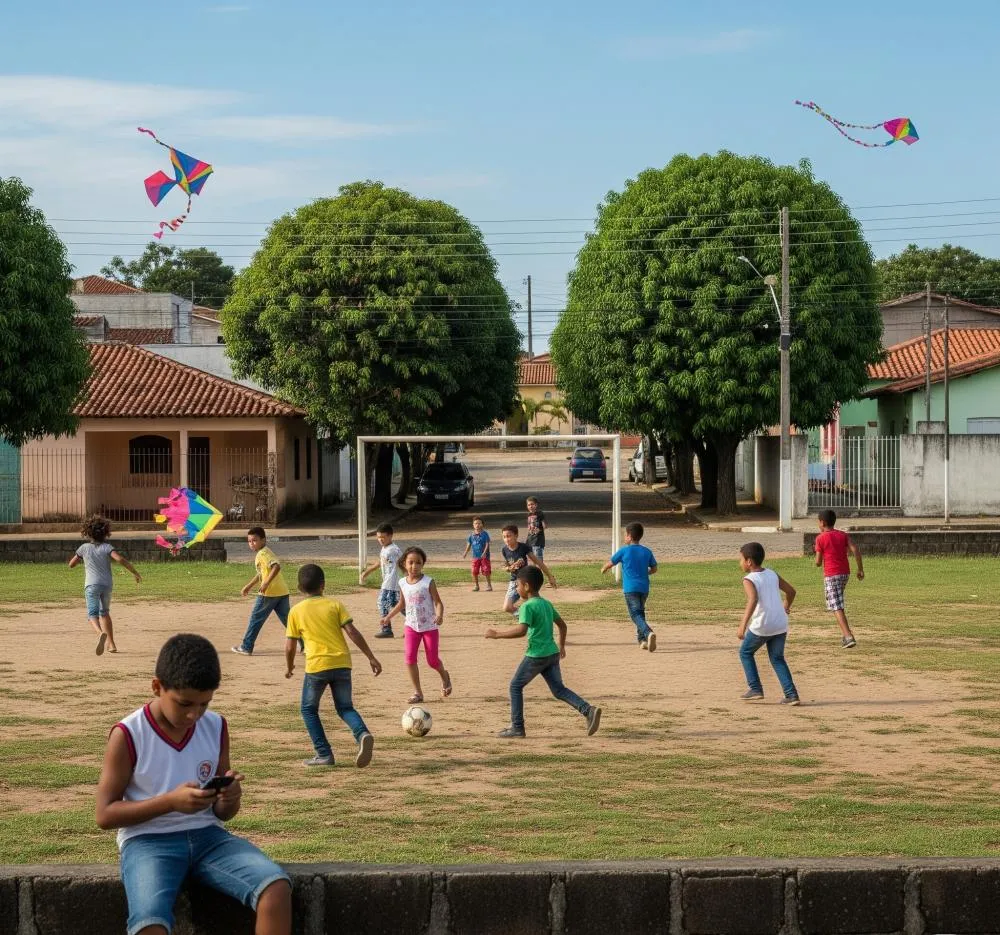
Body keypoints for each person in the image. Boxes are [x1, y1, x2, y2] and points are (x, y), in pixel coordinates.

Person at [95, 633, 292, 935]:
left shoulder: (215, 725)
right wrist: (169, 803)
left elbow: (222, 813)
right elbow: (105, 814)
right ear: (157, 686)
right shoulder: (128, 734)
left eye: (204, 704)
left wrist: (229, 797)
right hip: (148, 842)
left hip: (208, 838)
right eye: (184, 703)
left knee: (275, 887)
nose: (194, 714)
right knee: (149, 921)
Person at [486, 565, 602, 738]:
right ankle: (588, 710)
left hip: (536, 655)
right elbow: (562, 625)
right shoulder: (546, 604)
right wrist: (561, 646)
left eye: (518, 585)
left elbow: (521, 630)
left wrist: (497, 634)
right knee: (559, 690)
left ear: (526, 586)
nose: (516, 589)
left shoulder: (527, 606)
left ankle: (517, 728)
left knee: (515, 686)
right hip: (551, 654)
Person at [285, 564, 381, 767]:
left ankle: (324, 754)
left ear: (299, 588)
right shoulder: (335, 605)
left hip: (316, 667)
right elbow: (352, 632)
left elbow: (290, 646)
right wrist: (371, 657)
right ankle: (362, 733)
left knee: (308, 710)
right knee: (345, 707)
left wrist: (290, 666)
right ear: (323, 585)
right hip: (342, 664)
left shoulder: (295, 611)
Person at [380, 547, 452, 703]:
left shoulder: (428, 582)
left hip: (429, 628)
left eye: (418, 563)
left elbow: (438, 602)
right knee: (410, 658)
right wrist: (388, 617)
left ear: (423, 564)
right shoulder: (402, 583)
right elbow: (401, 604)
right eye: (411, 562)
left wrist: (439, 615)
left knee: (432, 661)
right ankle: (418, 693)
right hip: (411, 626)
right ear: (404, 564)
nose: (414, 566)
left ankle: (445, 676)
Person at [68, 514, 141, 656]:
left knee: (92, 614)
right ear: (105, 532)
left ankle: (100, 633)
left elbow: (71, 564)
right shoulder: (107, 547)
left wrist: (80, 558)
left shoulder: (84, 548)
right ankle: (112, 645)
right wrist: (135, 573)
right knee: (105, 613)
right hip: (106, 585)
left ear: (87, 532)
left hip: (91, 585)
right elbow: (120, 559)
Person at [737, 542, 800, 705]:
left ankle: (755, 688)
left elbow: (753, 600)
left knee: (745, 652)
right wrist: (785, 606)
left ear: (749, 561)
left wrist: (742, 625)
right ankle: (791, 695)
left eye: (741, 559)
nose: (740, 563)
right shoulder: (772, 573)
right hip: (780, 623)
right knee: (777, 658)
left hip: (763, 625)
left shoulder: (749, 579)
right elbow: (791, 592)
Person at [601, 521, 658, 652]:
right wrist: (646, 572)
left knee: (635, 614)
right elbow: (654, 568)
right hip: (644, 588)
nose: (624, 538)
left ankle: (648, 632)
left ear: (629, 536)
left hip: (630, 588)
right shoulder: (647, 551)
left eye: (625, 535)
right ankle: (642, 640)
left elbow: (611, 563)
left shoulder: (624, 551)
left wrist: (603, 568)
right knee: (640, 612)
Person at [814, 509, 864, 648]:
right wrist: (860, 569)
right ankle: (846, 634)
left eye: (818, 522)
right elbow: (855, 549)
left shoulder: (820, 538)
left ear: (822, 523)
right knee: (838, 602)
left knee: (836, 606)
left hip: (831, 575)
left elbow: (818, 562)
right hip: (844, 574)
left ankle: (848, 636)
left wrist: (818, 559)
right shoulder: (842, 535)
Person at [500, 524, 556, 614]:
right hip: (514, 581)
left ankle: (530, 620)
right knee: (507, 607)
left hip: (525, 582)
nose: (506, 539)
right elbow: (505, 565)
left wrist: (550, 576)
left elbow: (538, 562)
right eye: (504, 537)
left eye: (509, 536)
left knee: (531, 605)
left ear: (516, 535)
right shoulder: (504, 550)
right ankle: (526, 619)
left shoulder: (523, 547)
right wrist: (508, 568)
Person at [360, 523, 403, 638]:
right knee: (397, 604)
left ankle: (386, 629)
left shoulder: (392, 550)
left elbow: (402, 563)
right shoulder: (385, 549)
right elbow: (380, 562)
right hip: (390, 583)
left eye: (383, 537)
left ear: (390, 536)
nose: (380, 540)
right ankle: (414, 625)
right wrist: (367, 572)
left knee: (382, 603)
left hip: (391, 584)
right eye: (378, 537)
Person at [462, 516, 493, 592]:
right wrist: (465, 552)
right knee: (474, 571)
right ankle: (476, 585)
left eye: (479, 523)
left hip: (484, 557)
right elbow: (469, 545)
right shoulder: (471, 535)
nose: (477, 525)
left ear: (482, 524)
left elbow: (487, 544)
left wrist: (484, 552)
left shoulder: (485, 534)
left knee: (486, 570)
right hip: (475, 557)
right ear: (473, 525)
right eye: (475, 523)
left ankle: (489, 585)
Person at [525, 496, 548, 561]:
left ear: (536, 505)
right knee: (533, 560)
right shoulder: (528, 515)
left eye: (532, 504)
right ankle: (534, 571)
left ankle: (540, 571)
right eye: (528, 505)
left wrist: (540, 529)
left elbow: (545, 526)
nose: (530, 506)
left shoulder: (540, 514)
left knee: (539, 560)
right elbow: (529, 527)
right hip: (530, 541)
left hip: (538, 541)